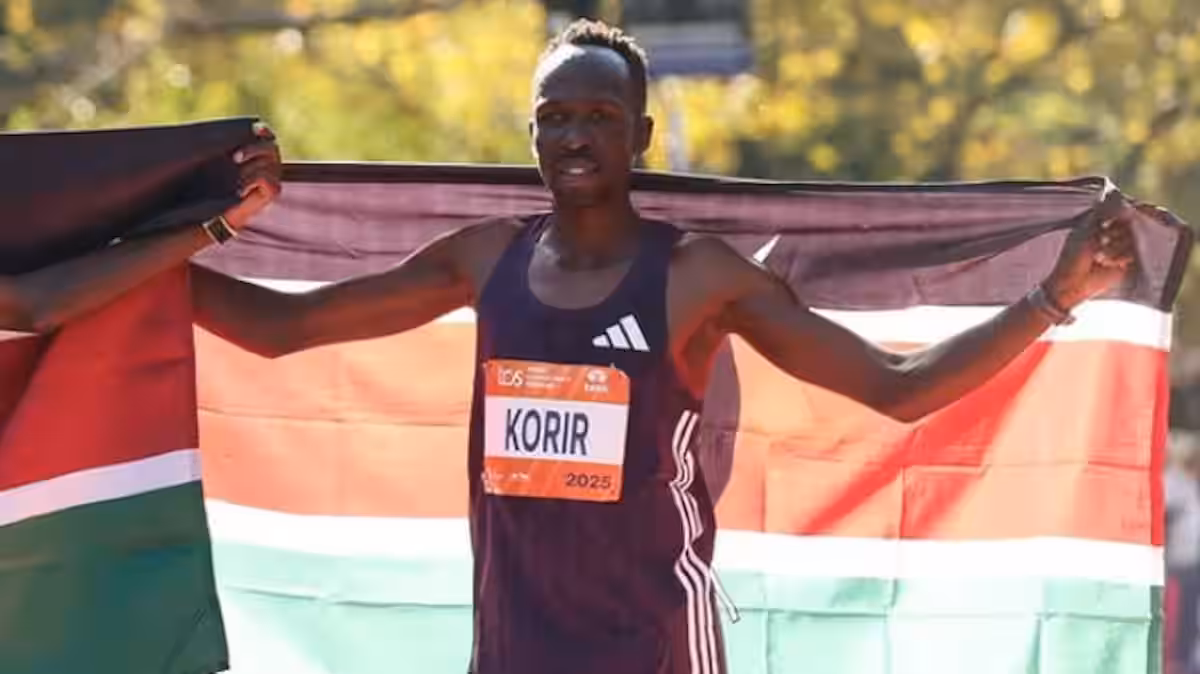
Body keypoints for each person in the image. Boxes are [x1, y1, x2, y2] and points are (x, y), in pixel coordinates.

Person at [0, 19, 1139, 674]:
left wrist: (1054, 295)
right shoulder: (483, 258)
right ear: (533, 134)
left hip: (654, 649)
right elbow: (283, 327)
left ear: (639, 134)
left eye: (598, 116)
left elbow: (898, 388)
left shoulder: (697, 276)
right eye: (555, 115)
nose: (575, 133)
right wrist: (154, 251)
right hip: (510, 650)